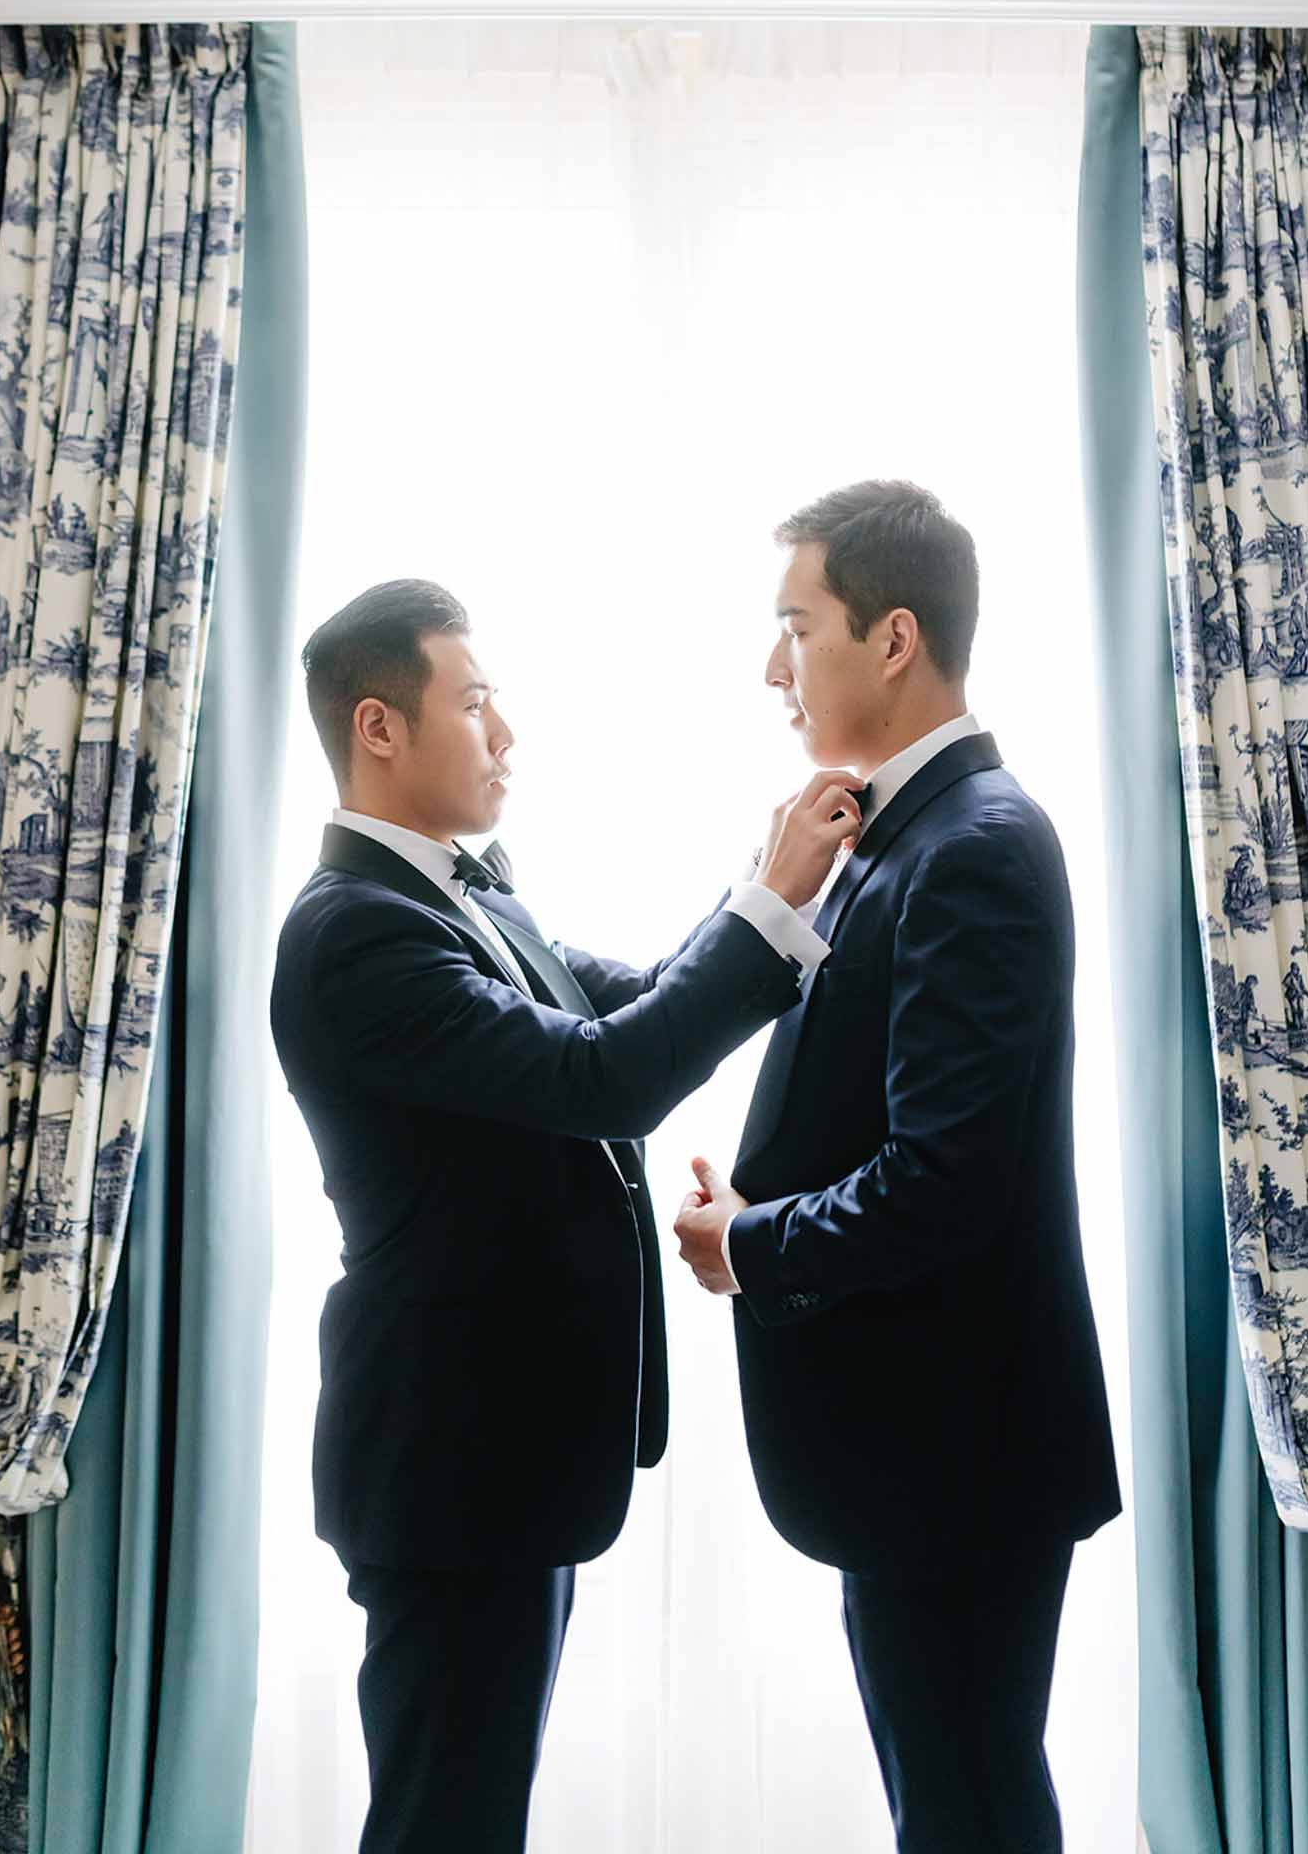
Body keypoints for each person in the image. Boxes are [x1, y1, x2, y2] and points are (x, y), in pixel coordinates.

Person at [269, 578, 859, 1854]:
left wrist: (773, 880)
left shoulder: (463, 901)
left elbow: (637, 1002)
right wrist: (772, 896)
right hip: (447, 1467)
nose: (506, 732)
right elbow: (608, 1078)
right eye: (474, 701)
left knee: (470, 1811)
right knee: (445, 1820)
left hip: (500, 1457)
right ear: (380, 727)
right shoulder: (355, 937)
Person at [675, 480, 1121, 1854]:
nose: (769, 666)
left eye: (792, 625)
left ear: (891, 639)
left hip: (958, 1454)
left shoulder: (976, 847)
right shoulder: (884, 841)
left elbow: (943, 1180)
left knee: (969, 1806)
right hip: (913, 1447)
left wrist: (747, 1247)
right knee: (949, 1800)